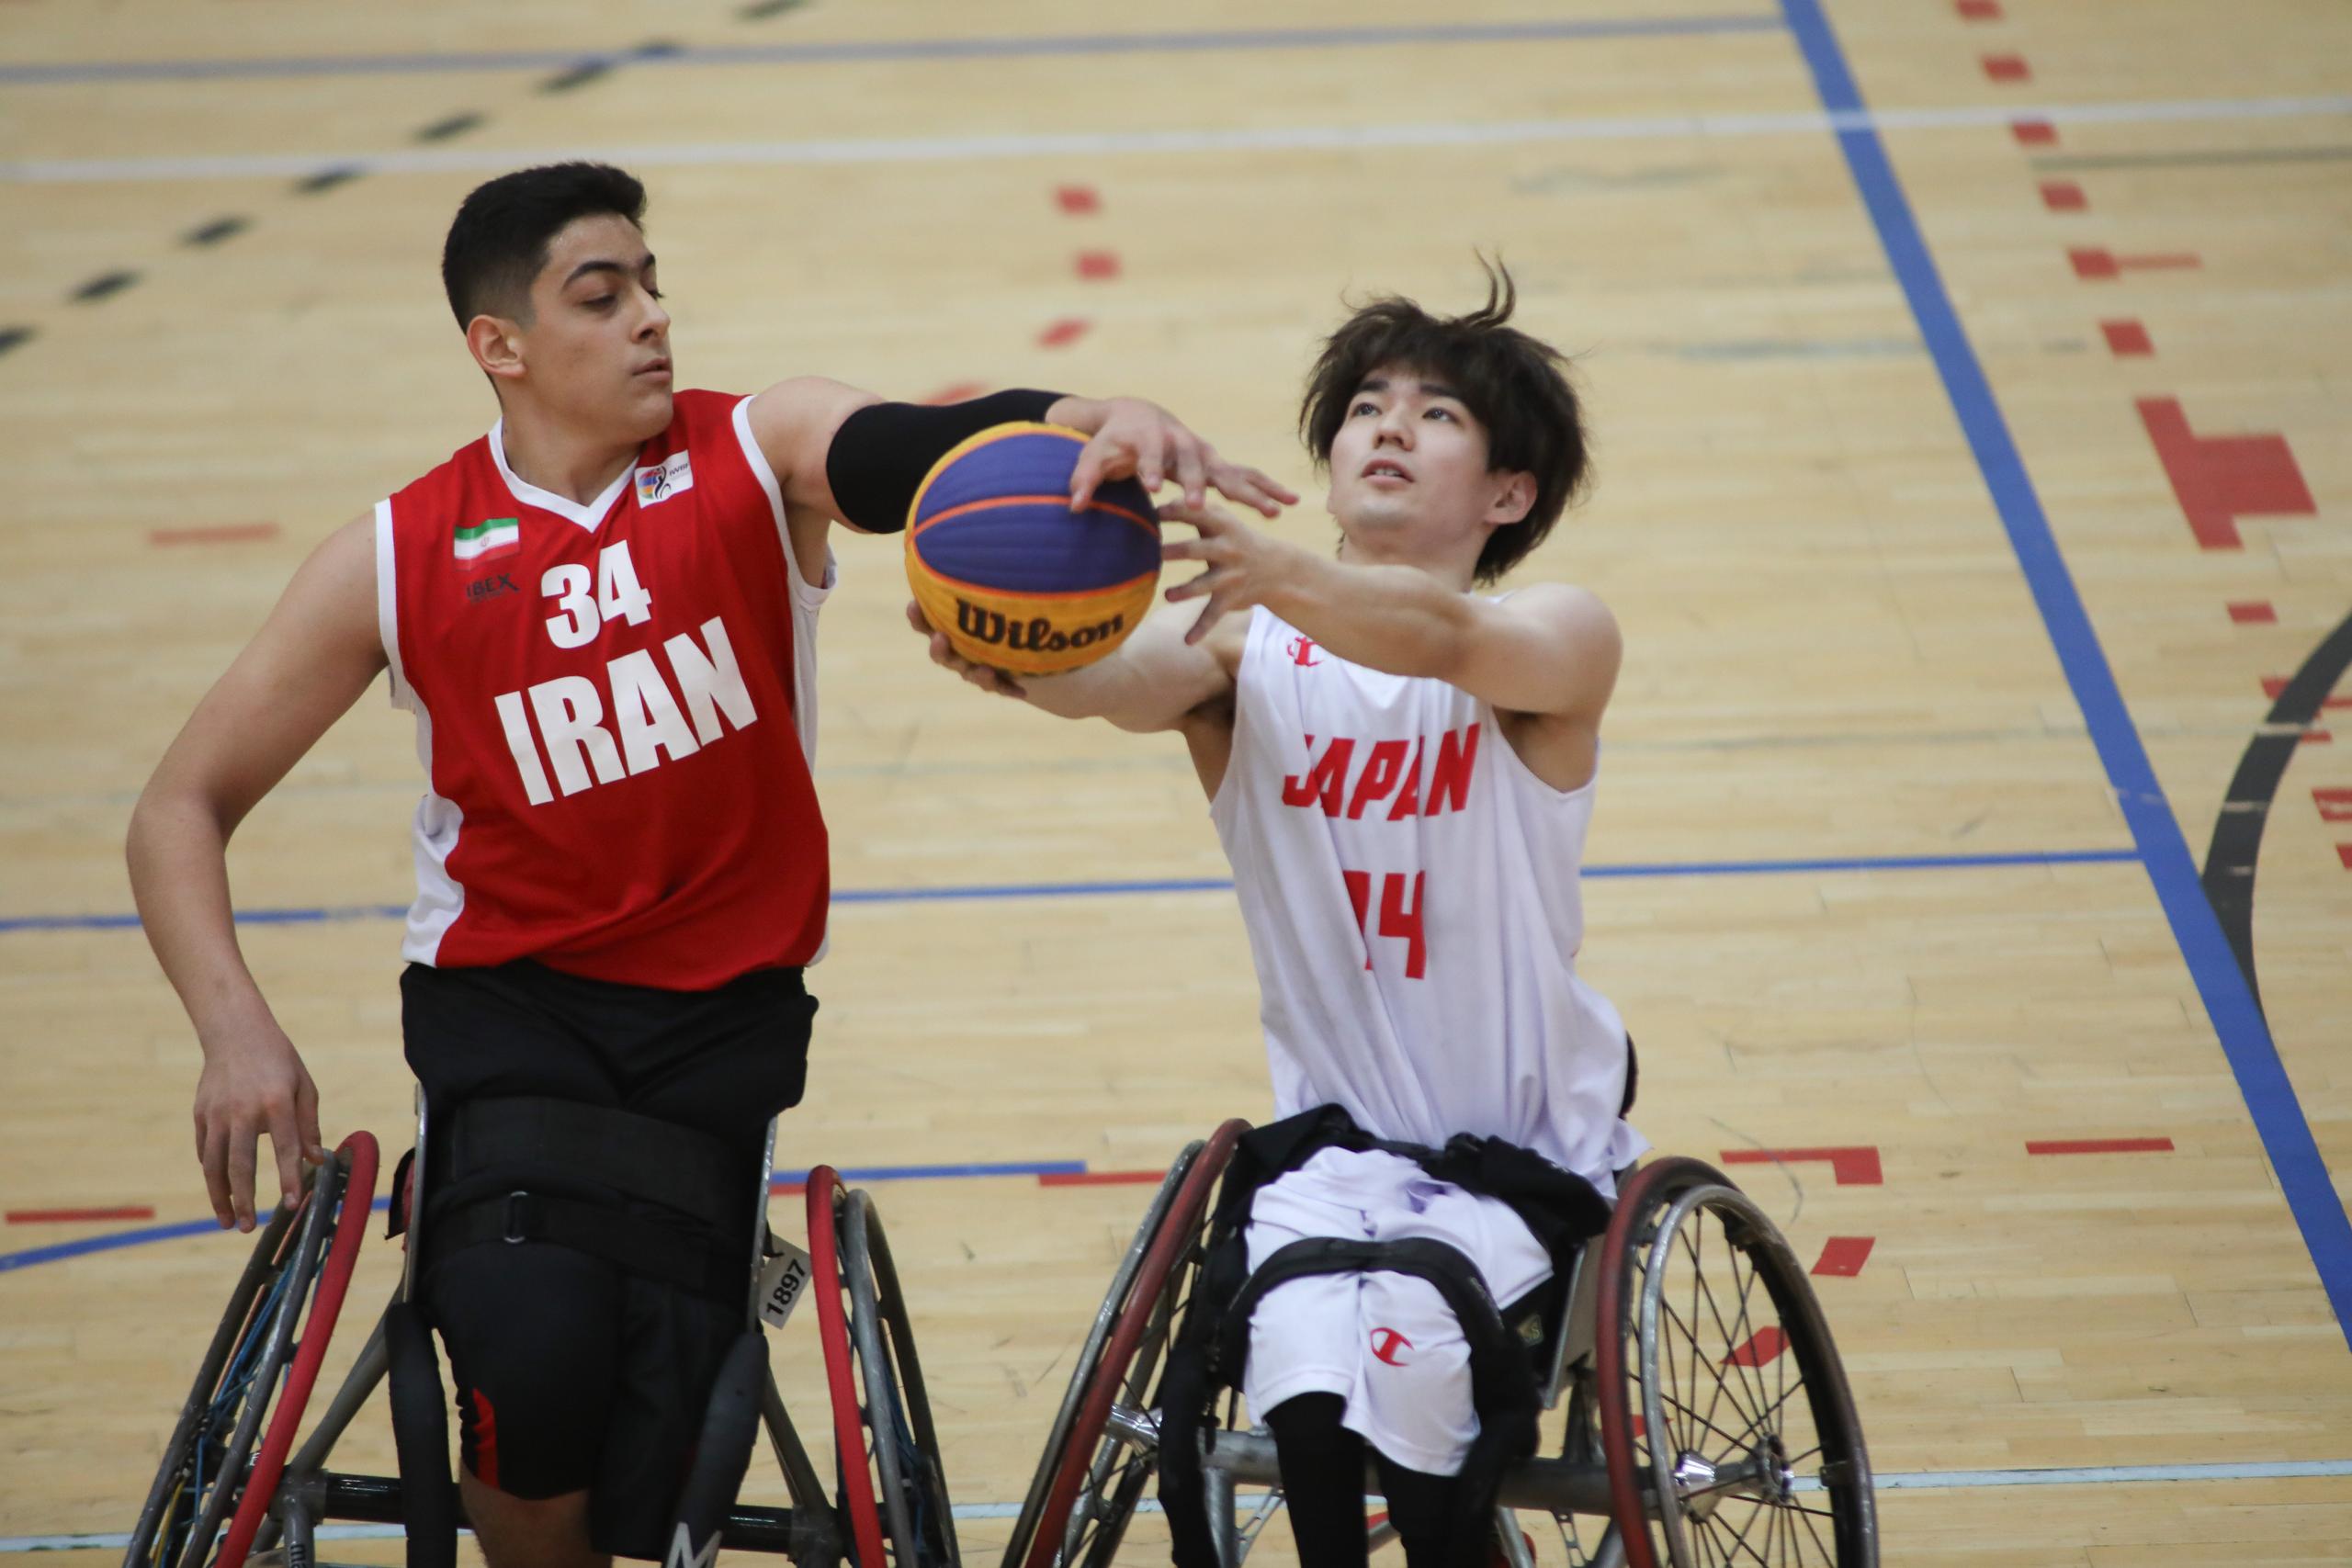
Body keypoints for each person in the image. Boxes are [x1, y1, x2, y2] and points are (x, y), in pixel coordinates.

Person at [124, 160, 1294, 1568]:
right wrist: (235, 1031)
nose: (650, 319)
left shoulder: (752, 449)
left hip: (718, 1032)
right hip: (510, 1017)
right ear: (501, 344)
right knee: (529, 1360)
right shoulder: (397, 551)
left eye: (652, 286)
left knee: (660, 1444)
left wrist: (1084, 417)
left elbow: (917, 446)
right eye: (600, 296)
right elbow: (179, 806)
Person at [911, 262, 1644, 1568]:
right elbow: (1113, 682)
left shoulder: (1554, 636)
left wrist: (1285, 572)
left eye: (1437, 415)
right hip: (1334, 1162)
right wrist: (1015, 646)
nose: (1389, 427)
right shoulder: (1240, 654)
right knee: (1302, 1402)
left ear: (1509, 494)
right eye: (1367, 407)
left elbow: (1434, 635)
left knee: (1417, 1388)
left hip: (1520, 1154)